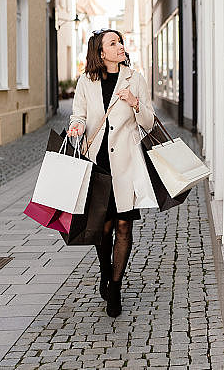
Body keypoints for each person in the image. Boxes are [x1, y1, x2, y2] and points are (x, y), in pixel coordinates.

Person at [67, 28, 158, 317]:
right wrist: (77, 126)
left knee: (123, 226)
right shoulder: (87, 81)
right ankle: (105, 271)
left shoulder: (135, 78)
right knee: (103, 228)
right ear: (101, 52)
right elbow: (78, 114)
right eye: (113, 43)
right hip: (98, 164)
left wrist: (135, 102)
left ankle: (115, 288)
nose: (120, 46)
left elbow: (149, 122)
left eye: (120, 42)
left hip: (126, 164)